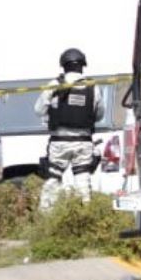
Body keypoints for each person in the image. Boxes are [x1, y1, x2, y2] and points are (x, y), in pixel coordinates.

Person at [35, 48, 102, 209]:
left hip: (59, 141)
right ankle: (85, 215)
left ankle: (47, 217)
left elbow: (38, 110)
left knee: (53, 178)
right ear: (82, 66)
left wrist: (53, 112)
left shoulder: (55, 85)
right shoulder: (93, 87)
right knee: (83, 179)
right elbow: (99, 115)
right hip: (83, 141)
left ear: (63, 66)